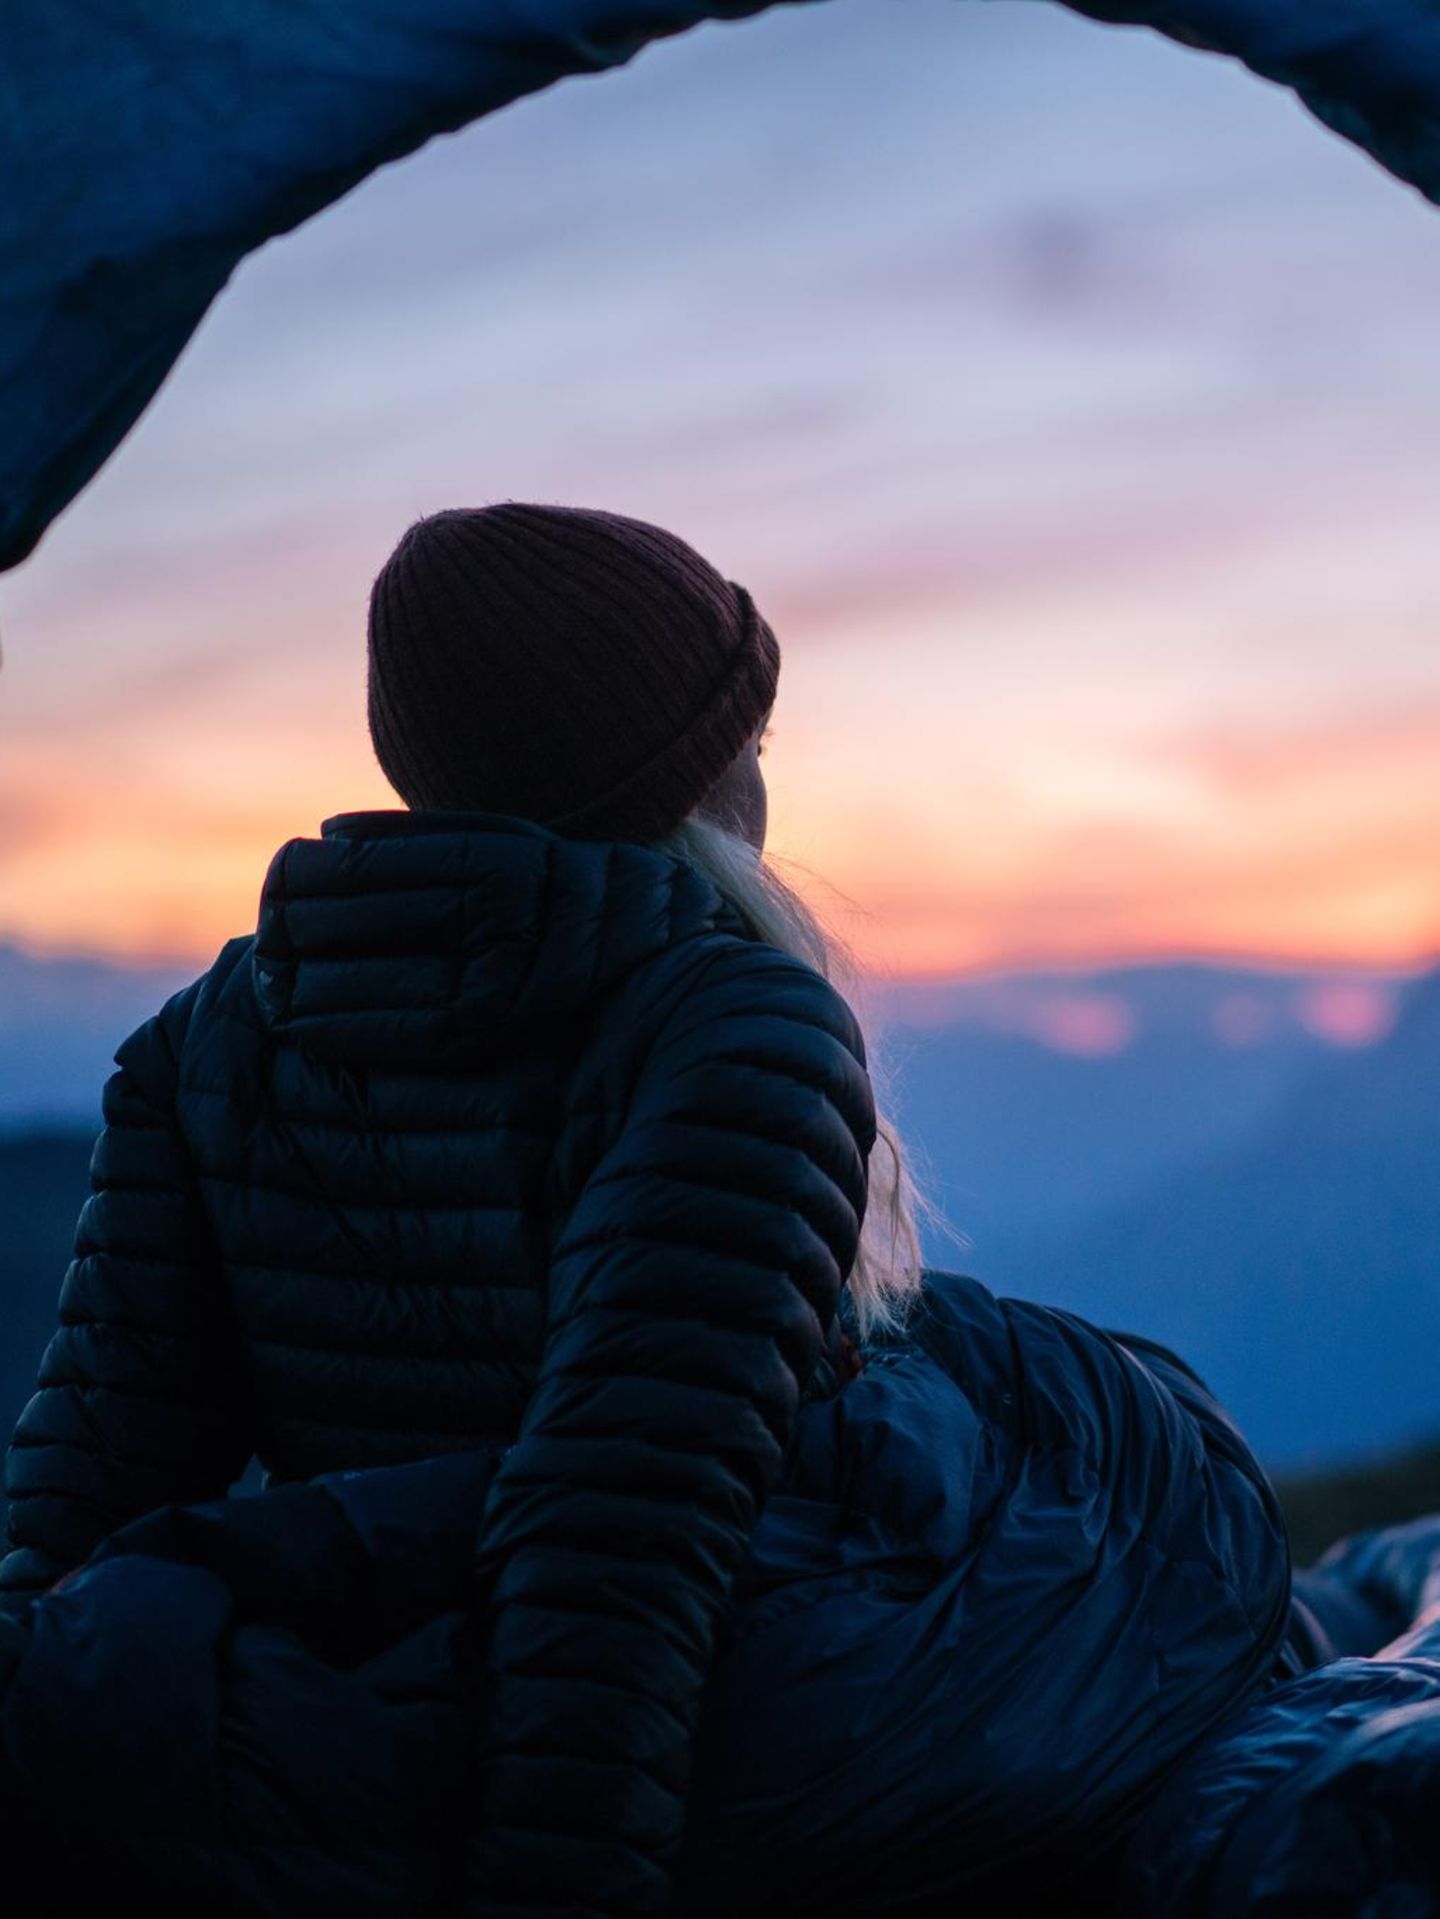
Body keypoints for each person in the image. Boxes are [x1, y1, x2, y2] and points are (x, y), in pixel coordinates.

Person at [0, 504, 1330, 1913]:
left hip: (368, 1656)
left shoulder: (206, 1034)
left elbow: (95, 1469)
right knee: (1134, 1465)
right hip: (676, 1699)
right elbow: (621, 1531)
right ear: (681, 779)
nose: (765, 767)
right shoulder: (732, 1031)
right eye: (744, 736)